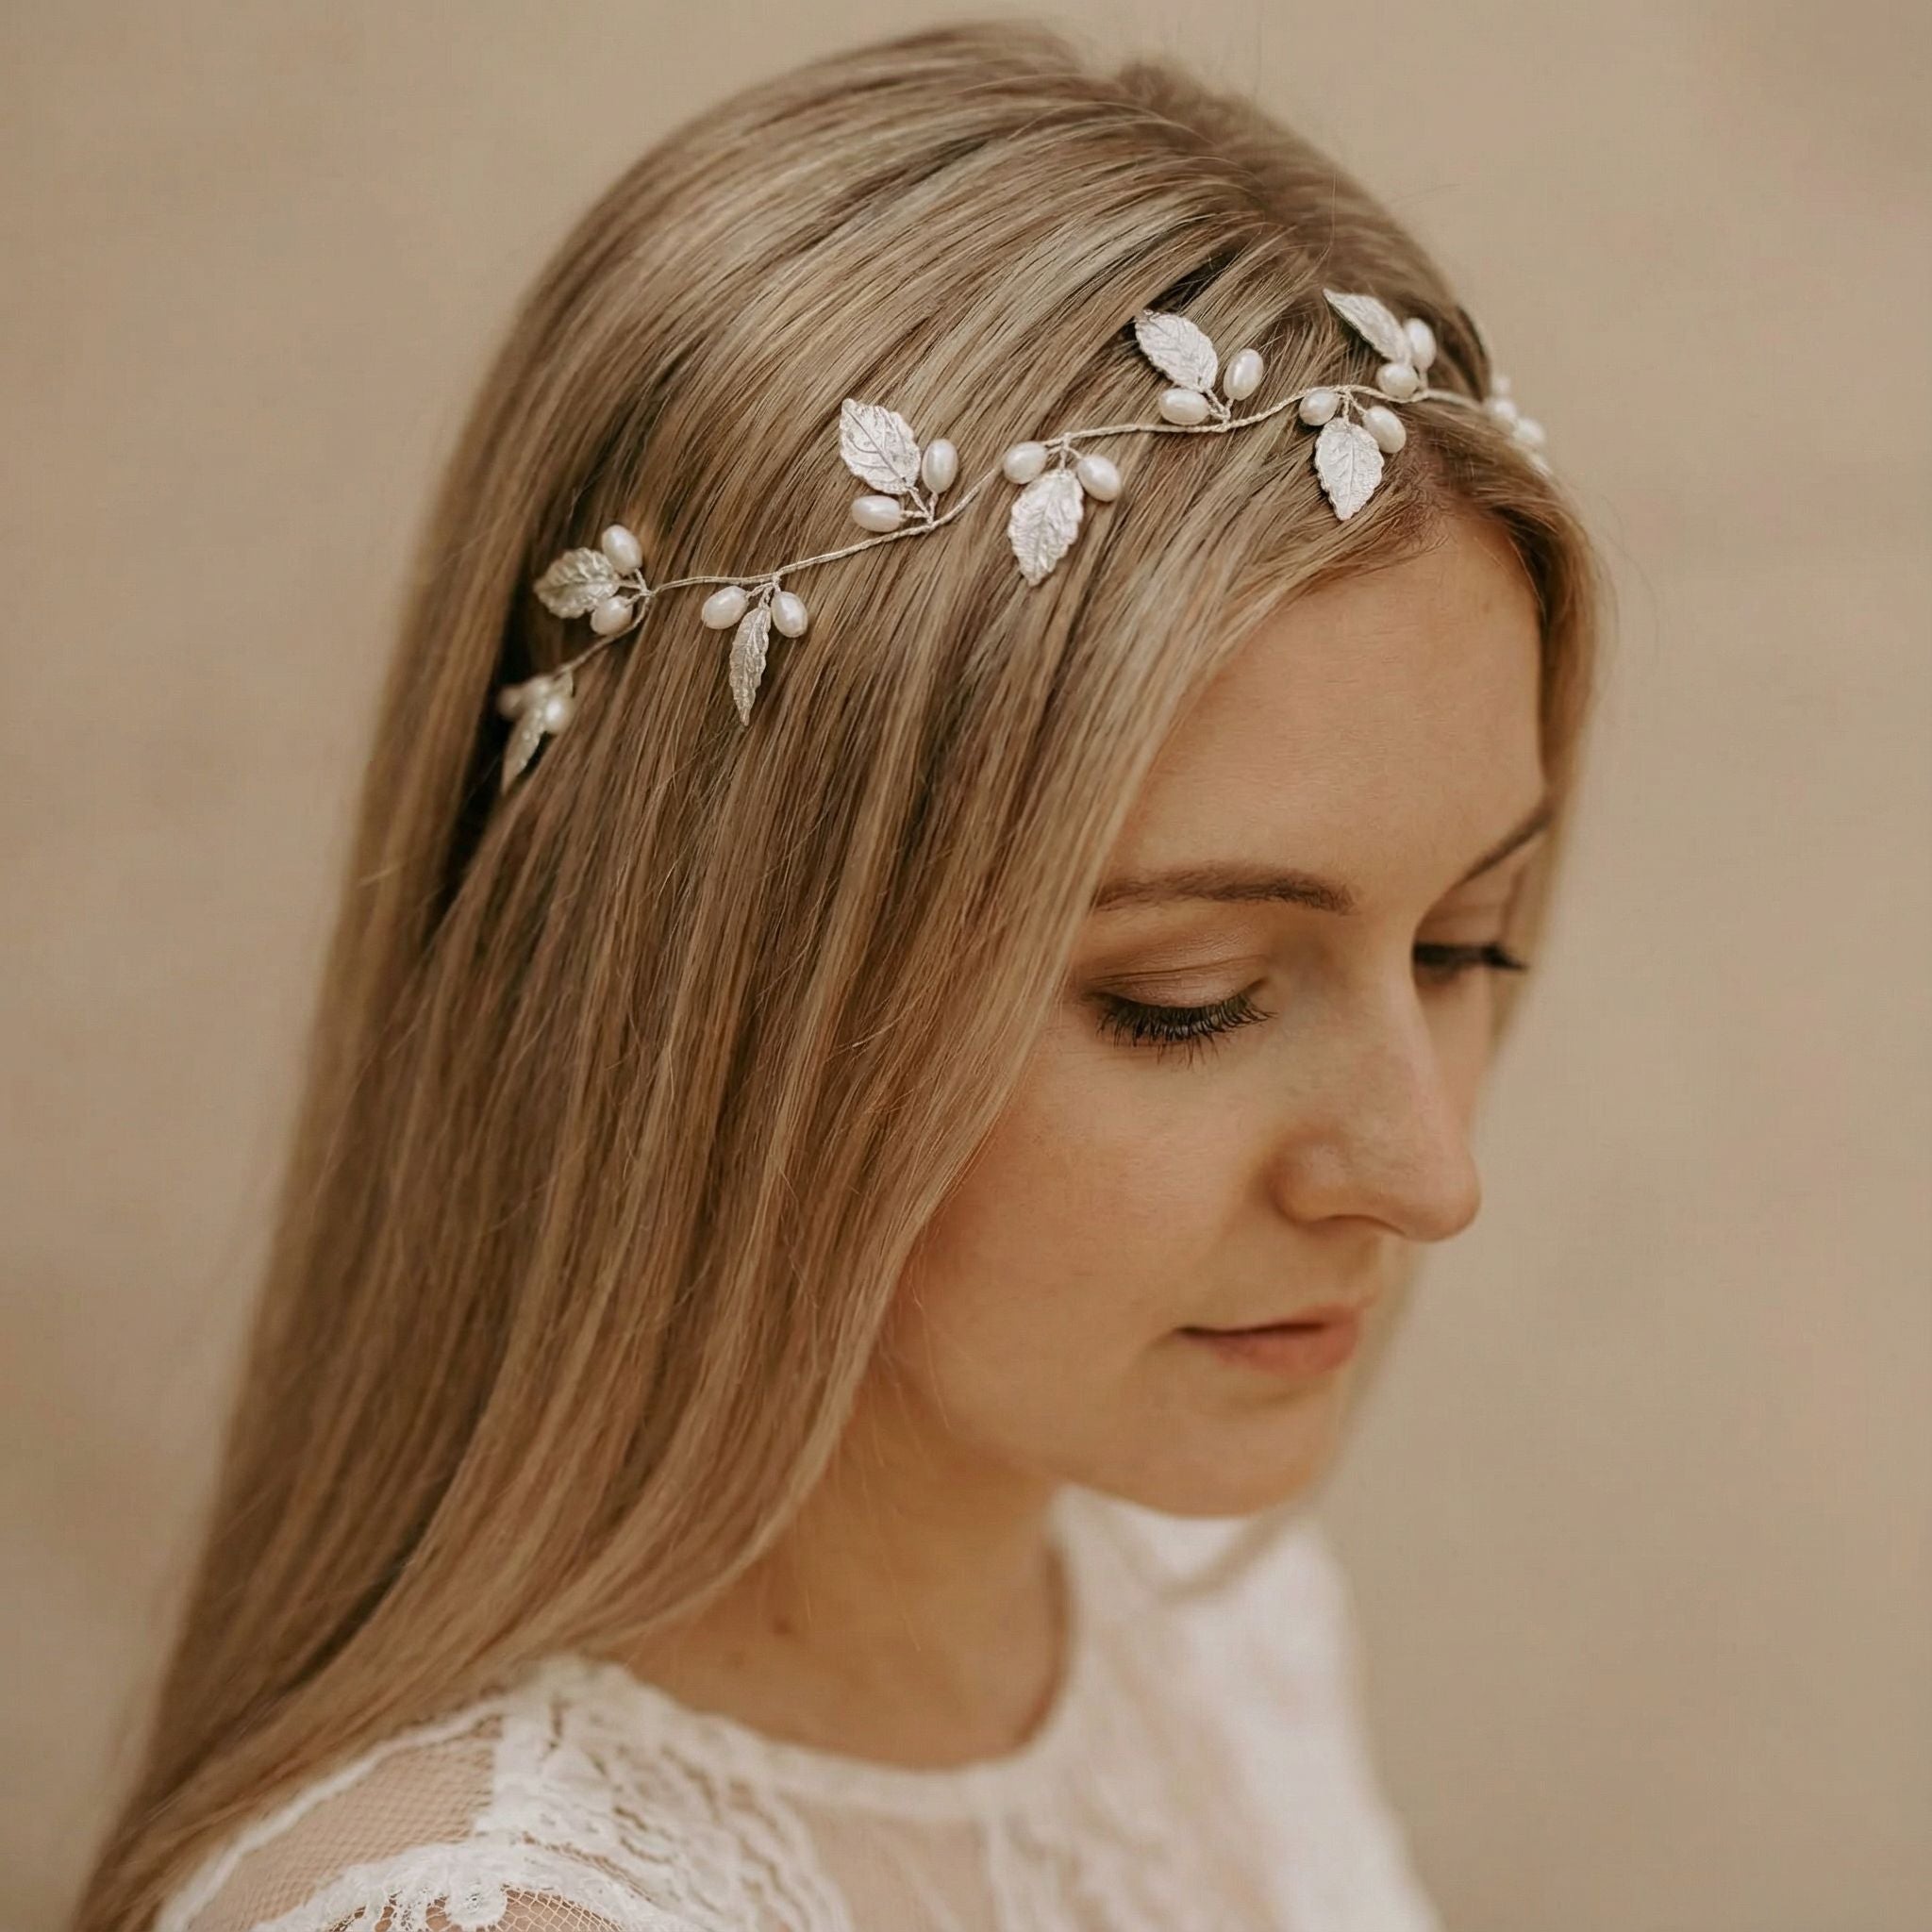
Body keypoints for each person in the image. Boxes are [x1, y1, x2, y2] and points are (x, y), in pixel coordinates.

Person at [74, 16, 1606, 1931]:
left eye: (1466, 941)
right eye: (1189, 992)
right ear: (723, 993)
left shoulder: (1206, 1633)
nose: (1425, 1171)